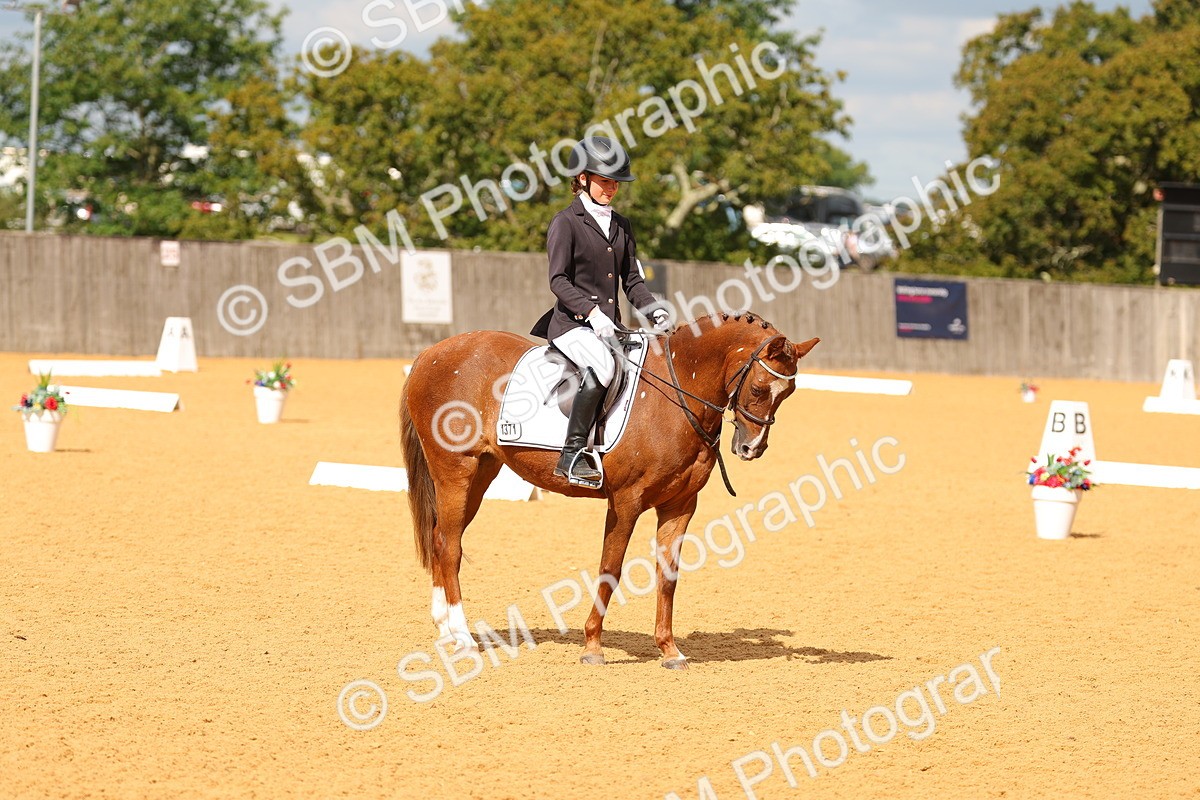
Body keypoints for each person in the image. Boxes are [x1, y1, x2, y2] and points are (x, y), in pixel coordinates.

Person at [529, 135, 670, 485]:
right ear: (582, 178)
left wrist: (655, 311)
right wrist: (591, 313)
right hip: (573, 325)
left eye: (615, 183)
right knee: (604, 366)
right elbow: (558, 280)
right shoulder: (566, 222)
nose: (611, 189)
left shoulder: (622, 225)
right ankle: (572, 452)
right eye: (604, 181)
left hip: (611, 327)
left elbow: (632, 281)